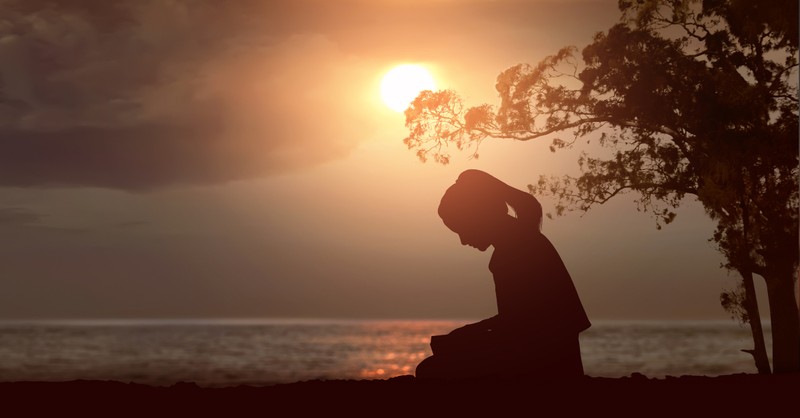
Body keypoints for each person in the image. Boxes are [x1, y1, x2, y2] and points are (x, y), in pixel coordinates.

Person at [415, 169, 591, 379]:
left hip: (544, 358)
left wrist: (468, 336)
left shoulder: (513, 251)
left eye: (462, 229)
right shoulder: (522, 240)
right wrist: (470, 333)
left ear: (479, 218)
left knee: (430, 370)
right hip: (544, 350)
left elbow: (522, 329)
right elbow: (519, 319)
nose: (463, 240)